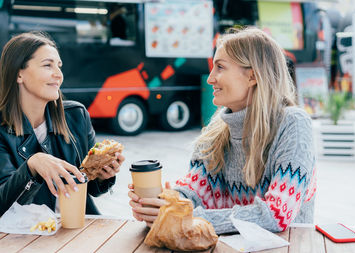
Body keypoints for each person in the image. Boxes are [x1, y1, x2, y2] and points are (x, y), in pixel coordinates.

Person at [128, 27, 316, 233]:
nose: (210, 78)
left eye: (220, 67)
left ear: (253, 76)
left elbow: (276, 214)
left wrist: (187, 216)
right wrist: (163, 204)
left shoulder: (293, 124)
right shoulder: (216, 131)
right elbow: (193, 191)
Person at [0, 32, 125, 216]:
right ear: (18, 74)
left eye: (59, 66)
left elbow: (93, 188)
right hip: (31, 235)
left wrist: (104, 175)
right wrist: (32, 165)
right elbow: (2, 203)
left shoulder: (76, 116)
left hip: (78, 228)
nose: (59, 75)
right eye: (48, 65)